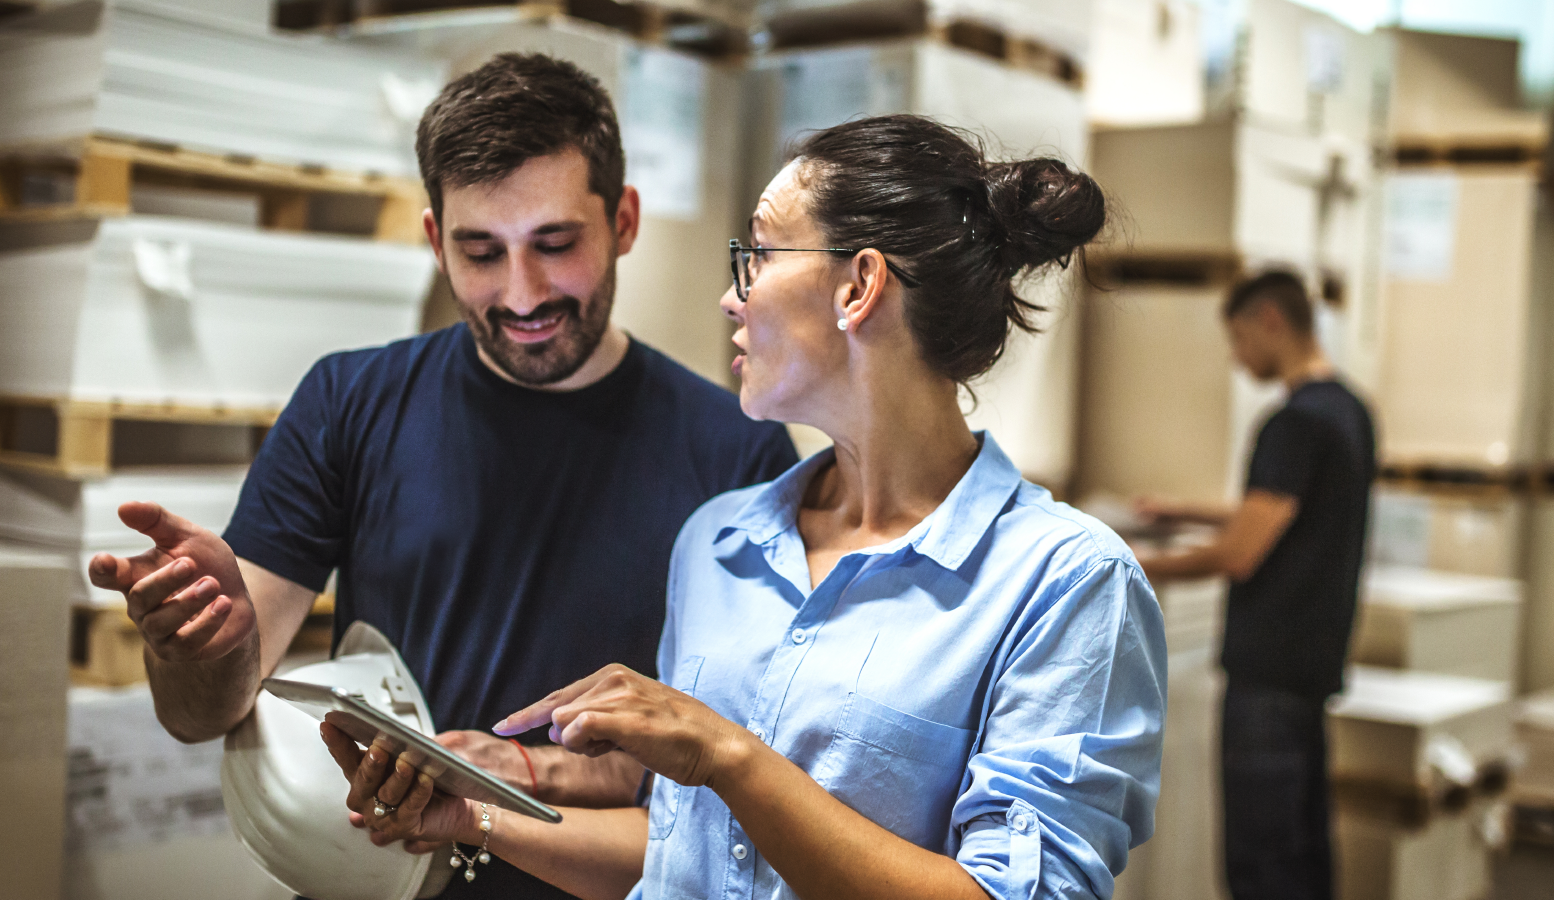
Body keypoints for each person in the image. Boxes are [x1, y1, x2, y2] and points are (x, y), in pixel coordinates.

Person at [324, 114, 1167, 900]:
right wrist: (473, 817)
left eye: (757, 256)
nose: (734, 297)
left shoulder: (1067, 583)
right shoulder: (718, 542)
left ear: (858, 286)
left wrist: (729, 755)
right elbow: (674, 842)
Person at [85, 53, 798, 900]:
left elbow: (738, 782)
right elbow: (199, 714)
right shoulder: (347, 403)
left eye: (556, 244)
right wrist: (210, 645)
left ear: (624, 221)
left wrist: (534, 770)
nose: (522, 293)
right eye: (480, 251)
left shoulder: (735, 456)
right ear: (434, 241)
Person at [1135, 270, 1376, 900]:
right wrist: (1181, 511)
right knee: (1303, 859)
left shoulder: (1293, 422)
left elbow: (1243, 552)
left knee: (1261, 866)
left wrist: (1131, 561)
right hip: (1310, 673)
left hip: (1266, 678)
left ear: (1269, 319)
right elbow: (1292, 513)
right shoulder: (1349, 411)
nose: (1237, 360)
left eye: (1238, 339)